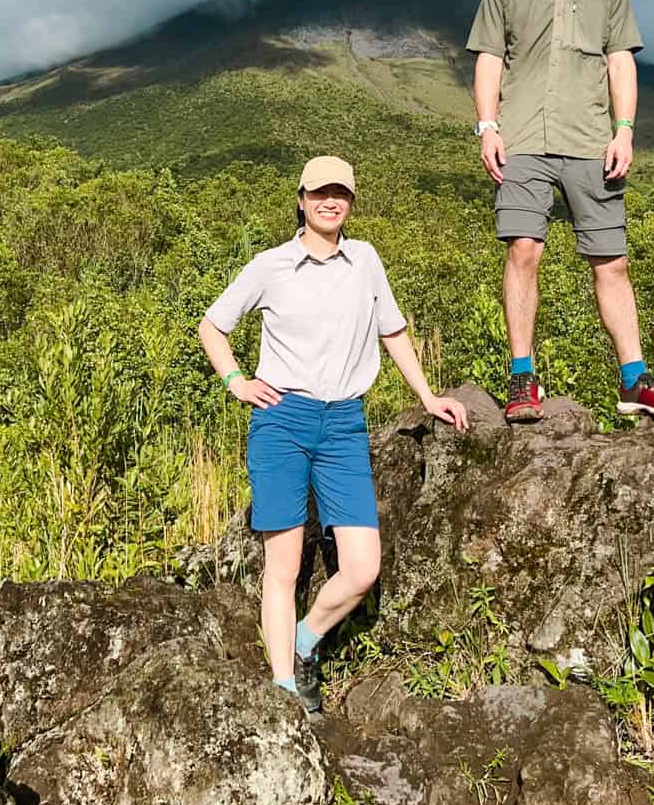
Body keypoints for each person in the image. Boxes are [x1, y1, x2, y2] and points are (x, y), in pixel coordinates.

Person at [198, 156, 469, 713]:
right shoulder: (272, 265)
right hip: (282, 420)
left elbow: (392, 329)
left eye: (340, 193)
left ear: (349, 201)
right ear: (300, 199)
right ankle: (283, 689)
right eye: (320, 192)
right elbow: (213, 325)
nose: (330, 201)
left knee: (364, 566)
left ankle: (303, 642)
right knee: (284, 566)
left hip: (344, 423)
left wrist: (427, 396)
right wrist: (236, 381)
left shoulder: (364, 260)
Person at [466, 0, 654, 425]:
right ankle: (523, 378)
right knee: (523, 249)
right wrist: (488, 127)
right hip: (521, 139)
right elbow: (489, 60)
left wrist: (624, 129)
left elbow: (620, 60)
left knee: (611, 261)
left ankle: (636, 380)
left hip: (592, 141)